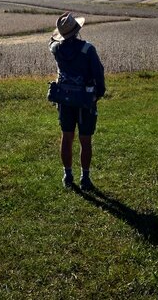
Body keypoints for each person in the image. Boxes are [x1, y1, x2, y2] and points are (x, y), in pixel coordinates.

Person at [49, 12, 106, 190]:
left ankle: (67, 175)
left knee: (66, 138)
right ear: (77, 30)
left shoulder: (56, 49)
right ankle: (85, 178)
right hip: (85, 100)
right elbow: (99, 74)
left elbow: (51, 41)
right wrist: (99, 94)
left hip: (64, 100)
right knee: (85, 140)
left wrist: (60, 33)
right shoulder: (88, 49)